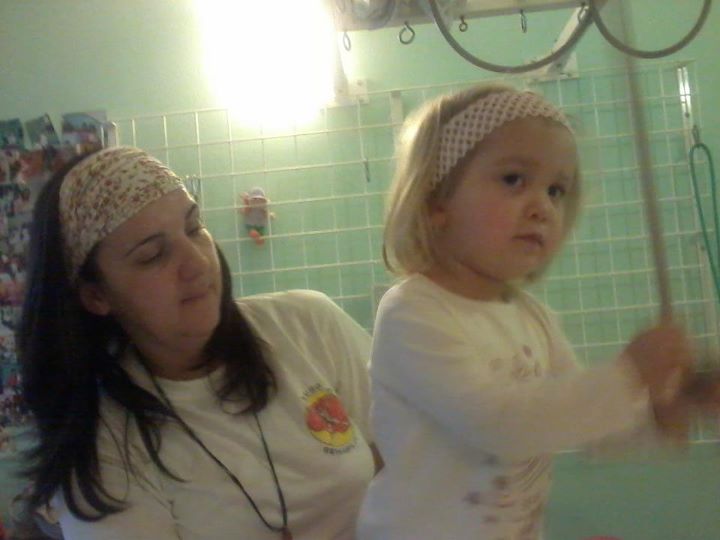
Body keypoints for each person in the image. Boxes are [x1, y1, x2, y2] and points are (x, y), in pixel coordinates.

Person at [355, 84, 705, 539]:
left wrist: (669, 408)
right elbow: (501, 424)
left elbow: (585, 427)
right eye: (514, 180)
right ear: (435, 201)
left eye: (556, 190)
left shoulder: (530, 316)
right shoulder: (413, 313)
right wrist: (629, 374)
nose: (542, 206)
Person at [18, 146, 381, 540]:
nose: (198, 262)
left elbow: (399, 467)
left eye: (193, 227)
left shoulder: (308, 324)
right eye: (153, 255)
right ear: (97, 296)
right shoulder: (102, 445)